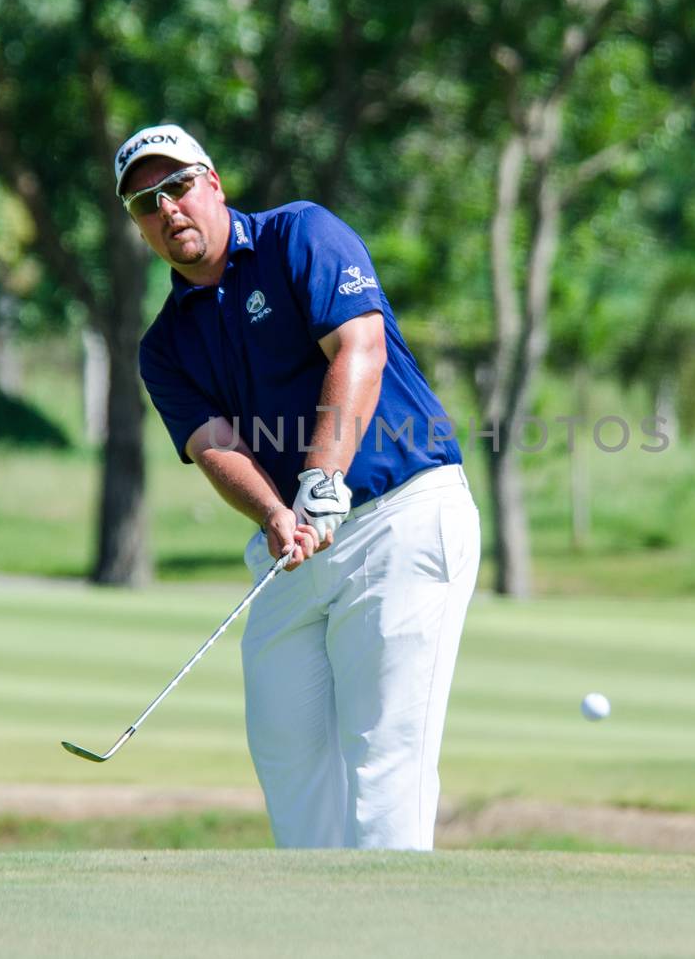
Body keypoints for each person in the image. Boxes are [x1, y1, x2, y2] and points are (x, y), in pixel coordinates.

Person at [116, 123, 481, 850]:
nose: (168, 211)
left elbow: (360, 348)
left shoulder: (300, 235)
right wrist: (279, 513)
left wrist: (321, 481)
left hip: (399, 518)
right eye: (145, 203)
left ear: (212, 182)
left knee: (385, 762)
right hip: (294, 546)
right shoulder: (164, 347)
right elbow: (212, 445)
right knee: (290, 757)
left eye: (178, 187)